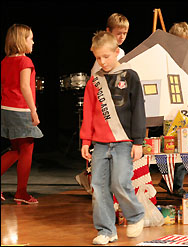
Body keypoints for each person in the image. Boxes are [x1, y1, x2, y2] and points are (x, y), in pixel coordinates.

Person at [80, 31, 145, 244]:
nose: (102, 61)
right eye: (98, 58)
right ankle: (106, 230)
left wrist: (138, 141)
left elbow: (138, 110)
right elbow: (88, 111)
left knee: (119, 182)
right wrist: (86, 140)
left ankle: (135, 215)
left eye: (106, 56)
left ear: (117, 52)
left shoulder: (130, 76)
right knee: (97, 187)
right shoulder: (94, 81)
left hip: (123, 142)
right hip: (99, 143)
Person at [76, 13, 129, 193]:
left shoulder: (121, 54)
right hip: (105, 117)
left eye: (125, 33)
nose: (121, 37)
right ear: (108, 32)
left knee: (118, 178)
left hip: (117, 121)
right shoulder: (102, 62)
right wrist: (86, 138)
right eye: (118, 33)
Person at [1, 24, 43, 204]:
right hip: (20, 110)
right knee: (26, 150)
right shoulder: (25, 61)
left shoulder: (5, 61)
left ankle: (21, 192)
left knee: (16, 150)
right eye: (30, 38)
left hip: (7, 109)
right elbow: (25, 86)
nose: (33, 42)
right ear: (21, 41)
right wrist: (33, 111)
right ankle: (21, 193)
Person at [157, 21, 188, 197]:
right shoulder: (163, 59)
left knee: (186, 148)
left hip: (185, 110)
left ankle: (173, 182)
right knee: (169, 148)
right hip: (167, 111)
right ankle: (169, 180)